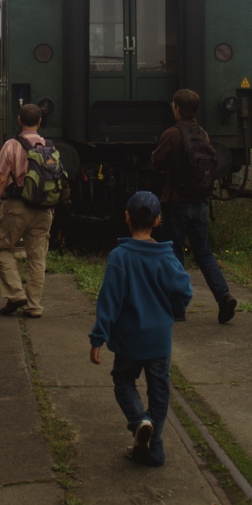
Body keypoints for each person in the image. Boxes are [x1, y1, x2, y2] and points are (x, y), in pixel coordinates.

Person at [89, 191, 192, 467]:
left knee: (124, 382)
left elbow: (108, 300)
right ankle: (154, 449)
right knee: (159, 391)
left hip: (128, 340)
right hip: (159, 340)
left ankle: (139, 421)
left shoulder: (119, 257)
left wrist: (98, 336)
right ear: (158, 220)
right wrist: (172, 310)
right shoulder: (166, 256)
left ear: (126, 217)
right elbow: (184, 291)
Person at [151, 88, 237, 324]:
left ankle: (178, 308)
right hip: (199, 203)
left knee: (174, 253)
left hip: (176, 203)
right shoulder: (204, 135)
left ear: (177, 108)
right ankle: (224, 296)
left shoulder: (172, 134)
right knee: (204, 254)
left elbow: (157, 163)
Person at [0, 103, 53, 318]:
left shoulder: (11, 145)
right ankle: (34, 305)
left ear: (19, 120)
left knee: (1, 248)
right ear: (39, 122)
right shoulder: (50, 146)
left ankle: (16, 293)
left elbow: (0, 179)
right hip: (43, 210)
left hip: (17, 208)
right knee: (37, 257)